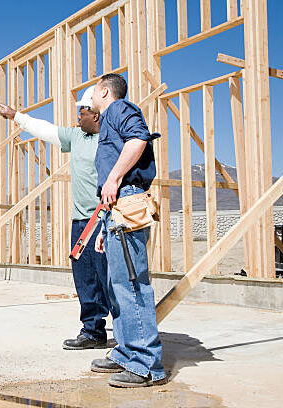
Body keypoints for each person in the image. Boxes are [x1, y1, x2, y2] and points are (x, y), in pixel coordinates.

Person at [0, 86, 110, 350]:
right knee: (85, 278)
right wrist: (16, 116)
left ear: (95, 115)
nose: (77, 118)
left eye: (81, 112)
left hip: (104, 220)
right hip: (81, 222)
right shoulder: (76, 137)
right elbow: (45, 129)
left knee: (110, 278)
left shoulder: (110, 140)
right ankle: (93, 331)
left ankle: (128, 337)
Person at [89, 73, 166, 387]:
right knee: (116, 286)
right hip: (115, 211)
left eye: (93, 92)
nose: (90, 98)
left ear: (105, 91)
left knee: (132, 285)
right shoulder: (108, 119)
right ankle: (125, 354)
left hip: (127, 202)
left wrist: (113, 178)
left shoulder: (119, 109)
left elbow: (138, 139)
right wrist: (102, 228)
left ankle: (145, 365)